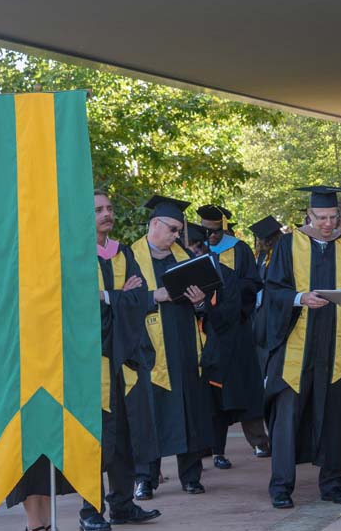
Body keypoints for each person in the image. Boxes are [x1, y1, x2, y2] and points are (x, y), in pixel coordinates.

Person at [264, 185, 341, 509]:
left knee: (336, 415)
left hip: (337, 344)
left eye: (333, 217)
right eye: (321, 217)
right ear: (308, 215)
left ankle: (333, 484)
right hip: (296, 344)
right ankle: (281, 487)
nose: (327, 224)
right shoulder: (287, 244)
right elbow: (272, 291)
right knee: (287, 418)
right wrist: (299, 298)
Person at [80, 191, 161, 530]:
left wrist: (108, 298)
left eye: (110, 208)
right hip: (90, 361)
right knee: (94, 438)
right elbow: (77, 305)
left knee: (126, 435)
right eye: (98, 209)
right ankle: (90, 511)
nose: (106, 214)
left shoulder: (122, 252)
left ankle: (123, 505)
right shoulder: (76, 255)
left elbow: (141, 298)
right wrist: (117, 296)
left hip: (124, 358)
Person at [131, 195, 212, 498]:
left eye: (179, 231)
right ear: (154, 224)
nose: (177, 236)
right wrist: (155, 296)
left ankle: (191, 476)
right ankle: (144, 478)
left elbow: (205, 302)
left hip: (184, 342)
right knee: (148, 415)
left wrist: (199, 300)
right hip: (147, 347)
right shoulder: (130, 258)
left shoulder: (186, 258)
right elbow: (122, 301)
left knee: (188, 409)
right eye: (172, 229)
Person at [197, 205, 269, 465]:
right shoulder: (197, 250)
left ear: (224, 227)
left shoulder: (238, 249)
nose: (212, 237)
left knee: (246, 386)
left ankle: (259, 441)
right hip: (210, 333)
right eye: (207, 232)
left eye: (216, 231)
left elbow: (253, 284)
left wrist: (229, 291)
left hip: (237, 331)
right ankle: (216, 450)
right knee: (214, 393)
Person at [249, 215, 284, 376]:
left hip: (274, 309)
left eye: (260, 239)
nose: (258, 242)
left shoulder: (281, 255)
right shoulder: (262, 256)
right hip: (261, 309)